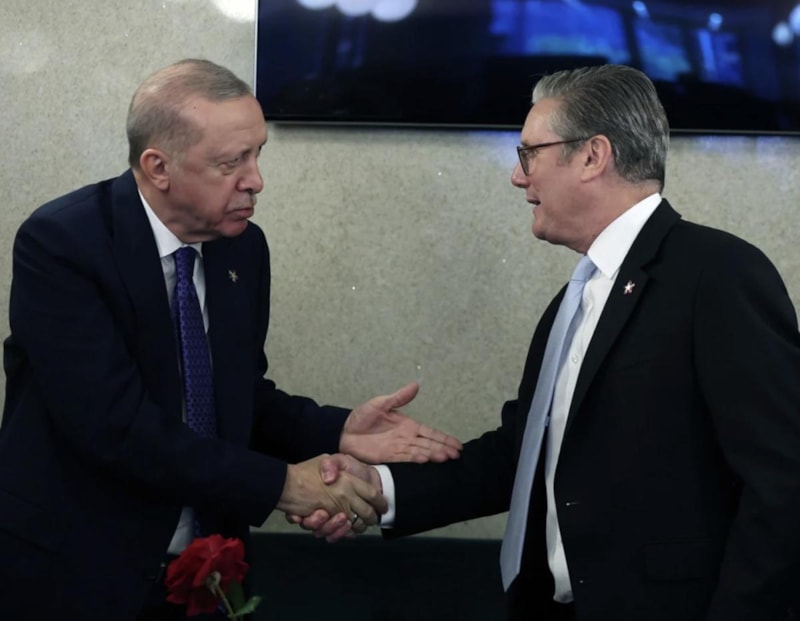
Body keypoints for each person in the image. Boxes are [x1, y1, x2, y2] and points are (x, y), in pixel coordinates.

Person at [298, 64, 800, 620]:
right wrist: (379, 488)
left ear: (592, 156)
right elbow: (522, 457)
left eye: (529, 154)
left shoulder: (719, 273)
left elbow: (783, 481)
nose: (519, 177)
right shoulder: (573, 301)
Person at [0, 58, 462, 621]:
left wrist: (338, 429)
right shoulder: (64, 243)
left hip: (208, 569)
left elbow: (235, 394)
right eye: (230, 162)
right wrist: (284, 485)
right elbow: (113, 426)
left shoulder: (243, 247)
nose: (256, 180)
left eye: (257, 154)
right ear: (158, 167)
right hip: (81, 573)